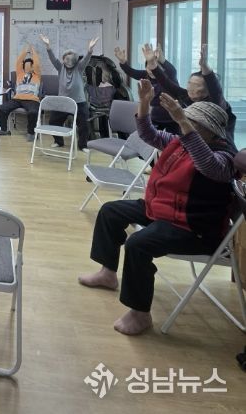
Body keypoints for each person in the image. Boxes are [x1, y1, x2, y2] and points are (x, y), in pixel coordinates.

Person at [78, 79, 238, 335]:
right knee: (110, 212)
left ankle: (140, 314)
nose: (184, 127)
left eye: (192, 123)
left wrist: (183, 122)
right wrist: (144, 102)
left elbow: (208, 165)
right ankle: (108, 273)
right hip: (163, 210)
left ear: (210, 130)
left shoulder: (224, 157)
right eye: (186, 122)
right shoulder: (181, 142)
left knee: (138, 244)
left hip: (193, 228)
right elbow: (148, 134)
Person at [143, 43, 236, 144]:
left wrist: (205, 66)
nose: (191, 88)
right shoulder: (185, 96)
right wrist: (153, 65)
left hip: (217, 147)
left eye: (196, 85)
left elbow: (215, 89)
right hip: (193, 143)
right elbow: (166, 82)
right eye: (189, 83)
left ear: (208, 90)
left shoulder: (216, 103)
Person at [40, 34, 99, 152]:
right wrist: (48, 47)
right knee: (53, 121)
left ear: (75, 60)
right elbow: (53, 59)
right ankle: (58, 141)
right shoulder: (60, 67)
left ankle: (83, 145)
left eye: (71, 59)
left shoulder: (79, 68)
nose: (68, 61)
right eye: (66, 59)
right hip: (63, 102)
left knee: (84, 124)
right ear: (63, 59)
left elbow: (86, 60)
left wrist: (90, 50)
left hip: (79, 102)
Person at [115, 44, 180, 133]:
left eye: (154, 66)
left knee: (173, 140)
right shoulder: (145, 75)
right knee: (151, 138)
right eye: (148, 66)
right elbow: (131, 72)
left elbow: (172, 71)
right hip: (155, 116)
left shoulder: (168, 77)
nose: (151, 70)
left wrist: (163, 60)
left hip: (172, 117)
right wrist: (123, 62)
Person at [0, 44, 40, 140]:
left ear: (33, 67)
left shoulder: (37, 75)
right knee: (2, 109)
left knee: (33, 112)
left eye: (30, 65)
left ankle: (31, 133)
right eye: (26, 65)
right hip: (17, 99)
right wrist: (25, 52)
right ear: (23, 66)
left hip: (32, 100)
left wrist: (32, 52)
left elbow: (36, 63)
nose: (28, 67)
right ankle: (4, 130)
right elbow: (19, 61)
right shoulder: (20, 73)